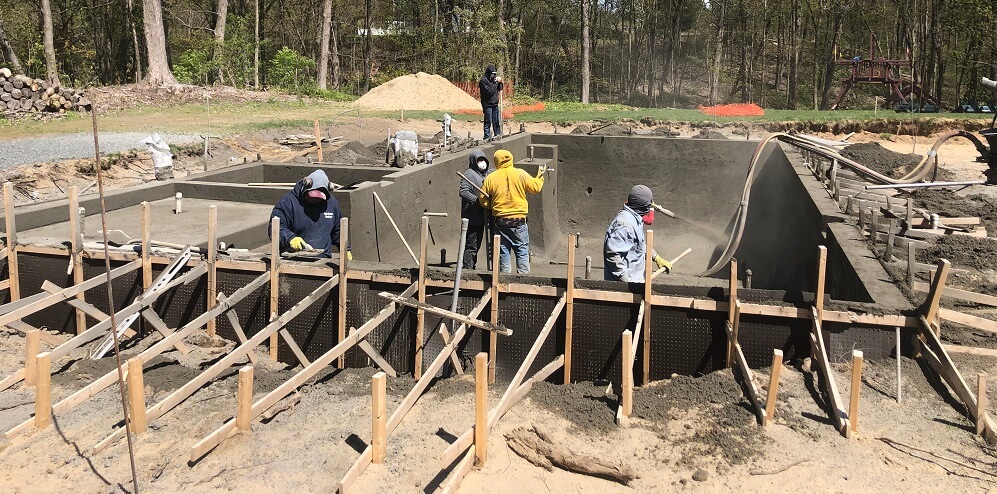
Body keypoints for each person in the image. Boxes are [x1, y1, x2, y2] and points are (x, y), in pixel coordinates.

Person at [479, 149, 546, 274]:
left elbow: (483, 200)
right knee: (522, 251)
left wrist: (492, 205)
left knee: (503, 252)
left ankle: (504, 283)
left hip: (500, 222)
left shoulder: (491, 178)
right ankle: (523, 283)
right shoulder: (520, 174)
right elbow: (536, 187)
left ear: (496, 161)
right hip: (519, 222)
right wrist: (540, 176)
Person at [269, 170, 351, 260]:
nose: (315, 200)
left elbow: (338, 230)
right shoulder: (288, 203)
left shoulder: (331, 204)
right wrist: (290, 238)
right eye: (312, 196)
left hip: (323, 260)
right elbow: (275, 227)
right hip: (294, 259)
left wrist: (346, 249)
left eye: (319, 198)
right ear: (305, 187)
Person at [603, 185, 671, 282]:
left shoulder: (634, 219)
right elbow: (613, 255)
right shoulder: (624, 224)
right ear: (644, 206)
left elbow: (638, 244)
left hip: (635, 281)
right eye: (649, 205)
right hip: (623, 288)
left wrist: (656, 258)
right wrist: (625, 281)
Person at [459, 149, 492, 269]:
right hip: (472, 216)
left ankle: (472, 265)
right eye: (479, 161)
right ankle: (468, 268)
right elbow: (463, 192)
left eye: (483, 160)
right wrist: (477, 201)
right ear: (474, 162)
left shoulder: (485, 174)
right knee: (471, 245)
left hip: (481, 217)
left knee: (477, 244)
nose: (482, 163)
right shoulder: (470, 174)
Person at [479, 65, 503, 140]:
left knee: (496, 121)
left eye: (494, 74)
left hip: (495, 104)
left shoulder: (493, 80)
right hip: (487, 104)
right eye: (492, 74)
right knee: (488, 120)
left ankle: (497, 134)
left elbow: (500, 88)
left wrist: (500, 82)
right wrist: (496, 83)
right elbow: (489, 91)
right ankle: (486, 136)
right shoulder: (483, 81)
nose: (493, 76)